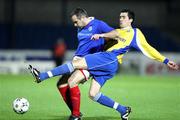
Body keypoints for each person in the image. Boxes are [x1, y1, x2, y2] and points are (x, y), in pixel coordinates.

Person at [29, 9, 179, 120]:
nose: (120, 19)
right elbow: (110, 36)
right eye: (120, 16)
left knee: (75, 64)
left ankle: (42, 76)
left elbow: (148, 48)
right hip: (105, 62)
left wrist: (165, 60)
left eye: (123, 17)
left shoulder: (134, 33)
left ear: (130, 20)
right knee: (92, 94)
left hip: (109, 59)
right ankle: (123, 110)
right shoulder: (117, 31)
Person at [39, 8, 114, 120]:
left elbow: (115, 34)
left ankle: (75, 115)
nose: (74, 25)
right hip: (78, 61)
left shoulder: (98, 25)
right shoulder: (80, 28)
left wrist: (103, 38)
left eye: (76, 21)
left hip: (88, 63)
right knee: (61, 84)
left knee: (72, 81)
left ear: (83, 18)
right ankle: (75, 112)